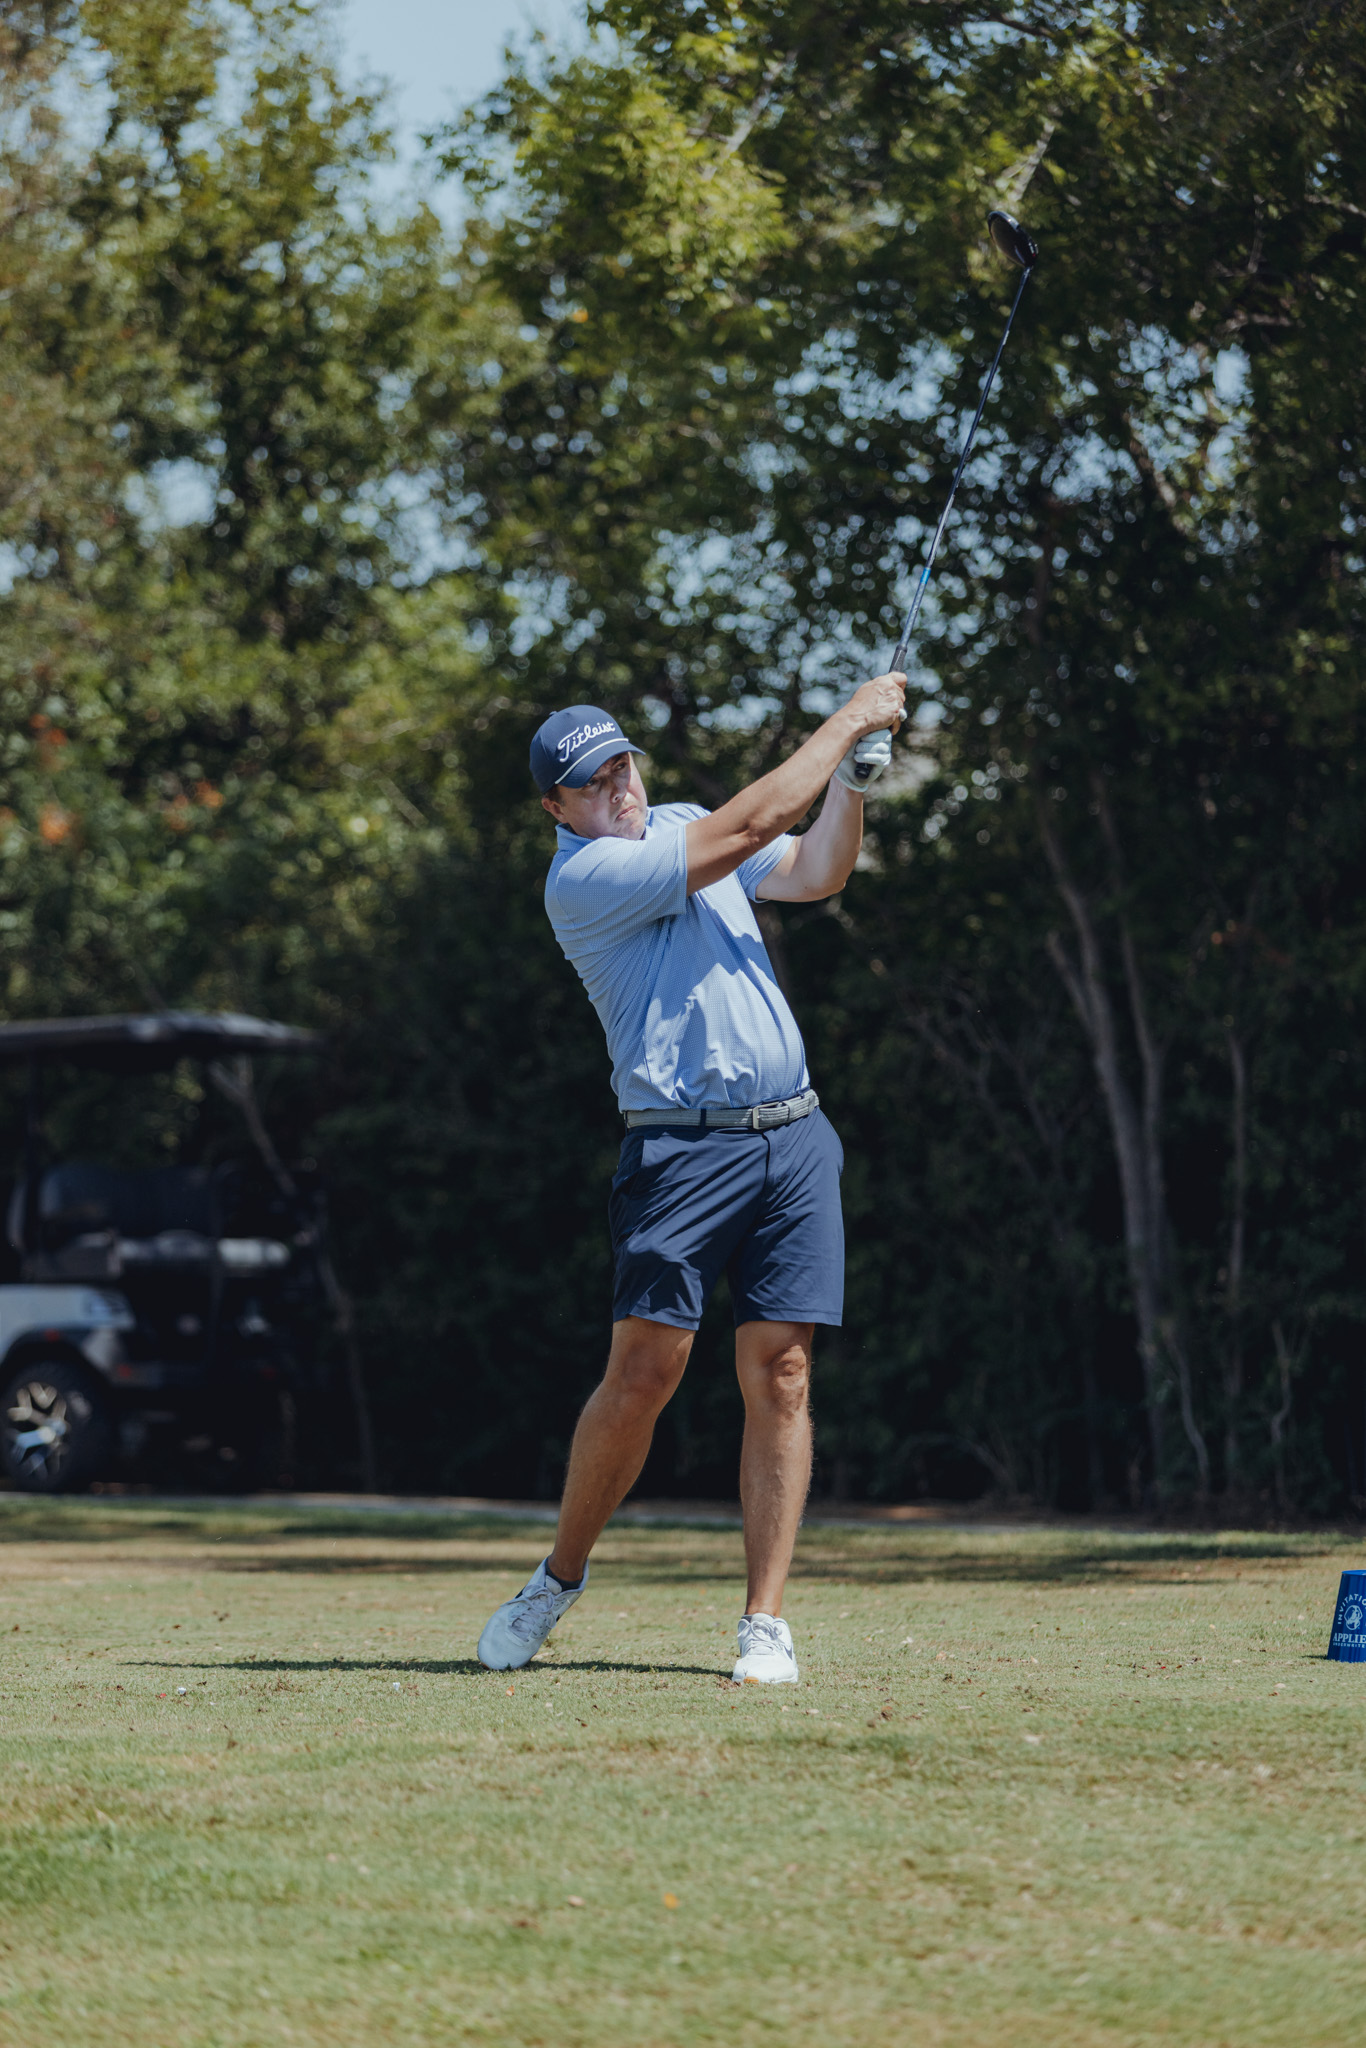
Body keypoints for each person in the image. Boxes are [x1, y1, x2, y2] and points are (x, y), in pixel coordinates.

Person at [476, 671, 908, 1682]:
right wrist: (850, 716)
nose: (618, 787)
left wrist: (850, 782)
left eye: (622, 765)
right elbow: (753, 821)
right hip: (680, 1151)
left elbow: (814, 873)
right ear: (556, 809)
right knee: (644, 1376)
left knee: (784, 1372)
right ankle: (558, 1577)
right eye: (591, 783)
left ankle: (765, 1621)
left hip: (793, 1135)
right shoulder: (586, 878)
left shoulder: (675, 821)